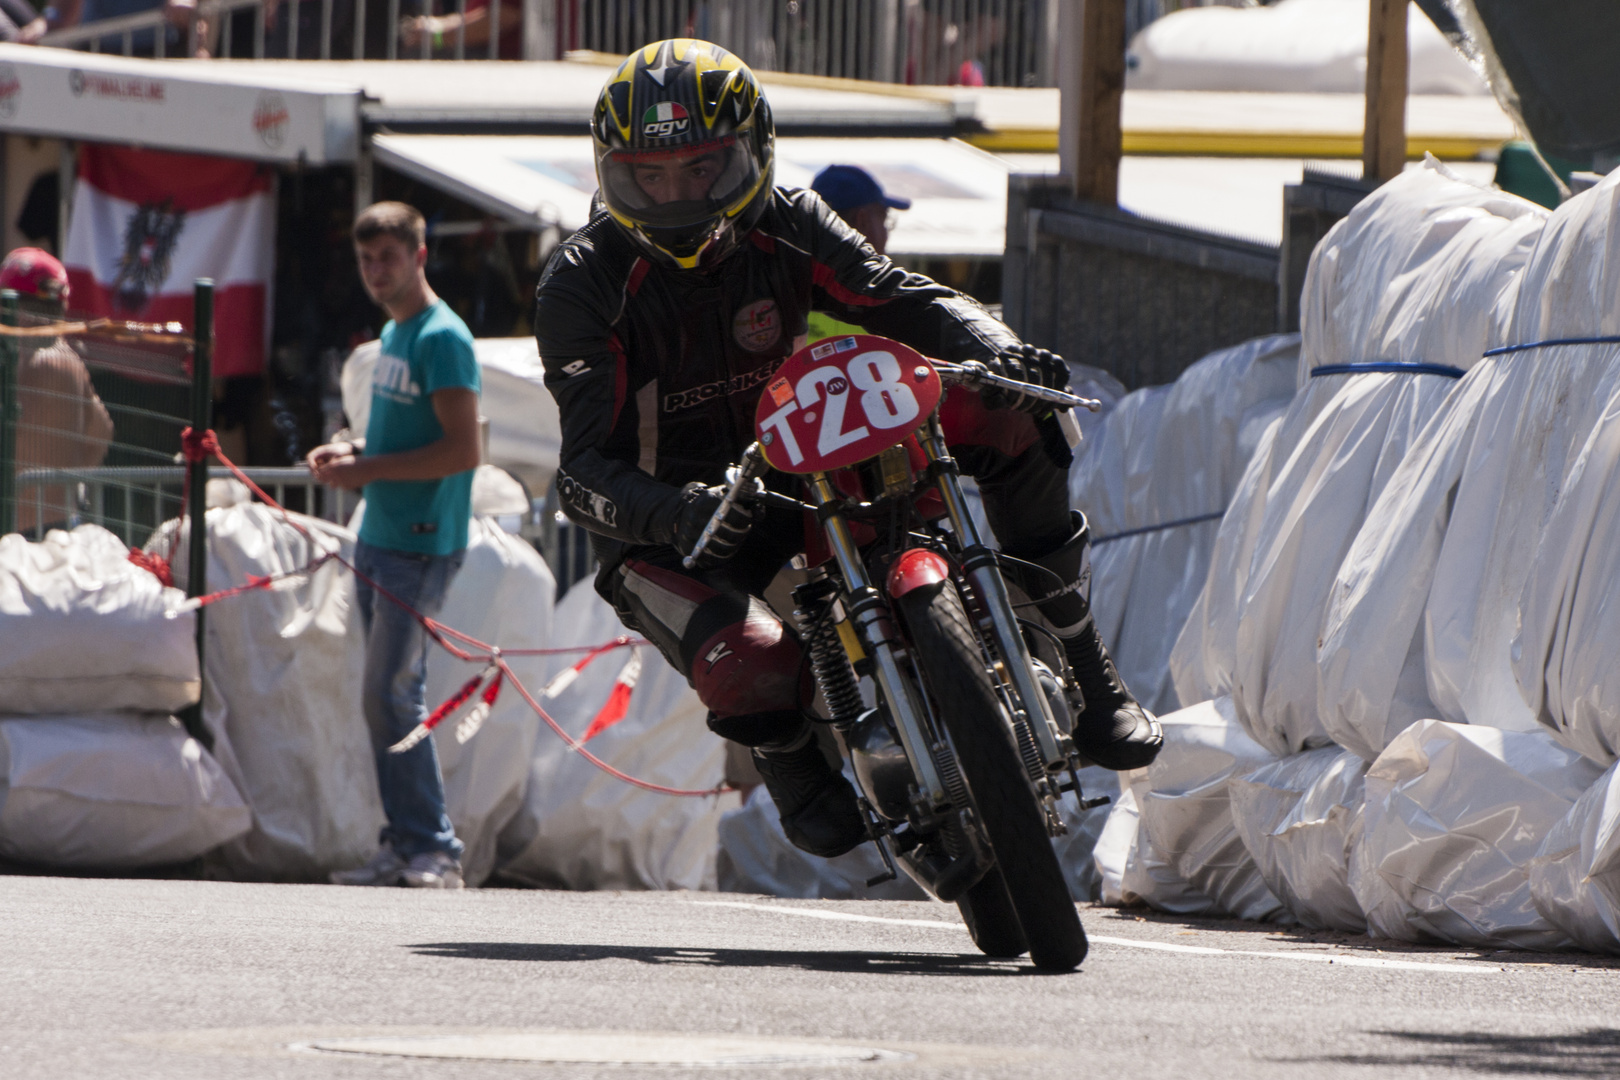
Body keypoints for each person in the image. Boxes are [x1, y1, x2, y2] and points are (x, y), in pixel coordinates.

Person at [534, 39, 1160, 860]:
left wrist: (997, 345)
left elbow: (905, 297)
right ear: (611, 172)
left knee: (1011, 413)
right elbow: (580, 475)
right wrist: (673, 511)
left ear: (751, 153)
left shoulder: (791, 217)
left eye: (701, 171)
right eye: (648, 176)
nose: (676, 196)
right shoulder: (579, 281)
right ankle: (790, 761)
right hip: (677, 516)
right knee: (749, 665)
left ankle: (1085, 664)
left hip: (809, 455)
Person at [308, 202, 481, 890]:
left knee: (392, 695)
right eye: (366, 260)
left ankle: (433, 848)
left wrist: (366, 470)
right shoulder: (393, 332)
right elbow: (401, 439)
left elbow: (463, 451)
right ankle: (405, 843)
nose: (377, 272)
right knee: (381, 699)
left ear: (420, 254)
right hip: (379, 535)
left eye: (389, 257)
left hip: (419, 542)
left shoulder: (443, 337)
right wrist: (353, 452)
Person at [0, 248, 114, 539]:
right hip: (60, 528)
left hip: (11, 534)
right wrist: (66, 479)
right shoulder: (70, 360)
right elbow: (101, 431)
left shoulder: (12, 359)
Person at [805, 163, 910, 343]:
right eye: (884, 218)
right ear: (862, 221)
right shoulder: (886, 300)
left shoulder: (780, 285)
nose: (886, 232)